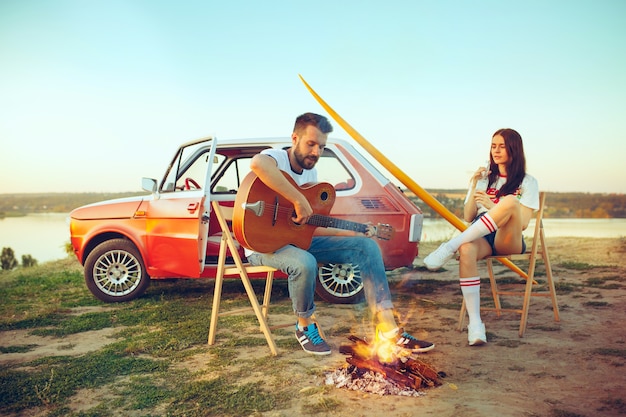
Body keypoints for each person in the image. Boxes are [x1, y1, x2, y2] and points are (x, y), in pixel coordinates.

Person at [245, 112, 434, 356]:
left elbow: (310, 225)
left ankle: (388, 329)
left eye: (321, 147)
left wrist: (358, 232)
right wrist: (299, 199)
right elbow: (258, 164)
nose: (315, 152)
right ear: (294, 139)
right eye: (310, 144)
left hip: (296, 241)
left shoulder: (311, 175)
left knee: (366, 248)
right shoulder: (278, 158)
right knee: (305, 262)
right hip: (262, 244)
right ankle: (304, 326)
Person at [423, 128, 539, 346]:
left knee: (510, 202)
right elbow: (468, 216)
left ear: (514, 148)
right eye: (493, 146)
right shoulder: (486, 179)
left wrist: (493, 204)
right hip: (481, 233)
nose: (496, 150)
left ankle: (450, 245)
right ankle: (475, 325)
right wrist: (473, 185)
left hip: (508, 236)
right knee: (467, 249)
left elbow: (523, 223)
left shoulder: (527, 182)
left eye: (502, 146)